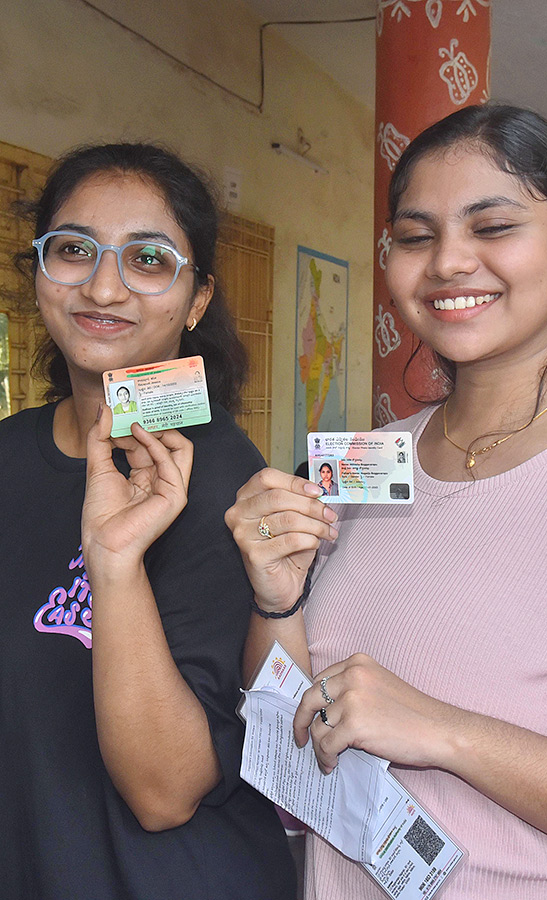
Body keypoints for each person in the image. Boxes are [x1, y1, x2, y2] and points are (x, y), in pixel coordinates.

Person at [225, 104, 547, 899]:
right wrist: (275, 600)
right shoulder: (369, 462)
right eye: (416, 238)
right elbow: (290, 754)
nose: (450, 261)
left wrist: (446, 732)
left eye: (492, 227)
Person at [1, 142, 295, 899]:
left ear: (196, 301)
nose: (104, 286)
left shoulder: (223, 478)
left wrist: (114, 561)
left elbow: (165, 792)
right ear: (38, 273)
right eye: (73, 250)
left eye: (149, 260)